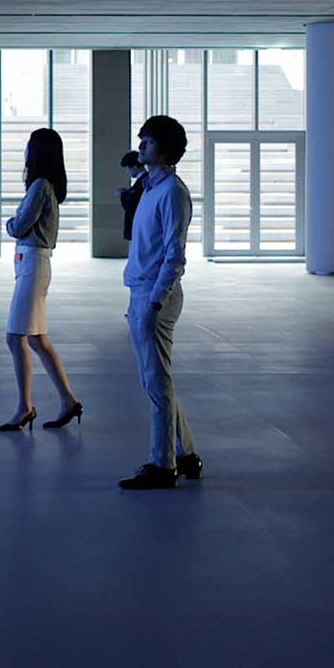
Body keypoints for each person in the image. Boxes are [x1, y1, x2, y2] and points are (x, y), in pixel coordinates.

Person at [118, 116, 202, 489]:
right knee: (158, 380)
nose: (141, 144)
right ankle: (184, 454)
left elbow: (174, 254)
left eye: (148, 141)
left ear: (165, 149)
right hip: (142, 291)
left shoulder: (171, 193)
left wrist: (155, 303)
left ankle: (162, 465)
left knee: (156, 384)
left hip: (154, 295)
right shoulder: (150, 188)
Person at [0, 128, 83, 431]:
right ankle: (68, 401)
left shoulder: (39, 186)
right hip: (33, 263)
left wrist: (9, 223)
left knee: (15, 337)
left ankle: (25, 407)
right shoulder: (45, 186)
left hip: (33, 263)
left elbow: (20, 226)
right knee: (36, 338)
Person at [117, 149, 147, 241]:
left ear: (134, 166)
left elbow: (132, 204)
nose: (126, 171)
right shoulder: (143, 180)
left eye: (127, 168)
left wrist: (122, 194)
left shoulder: (144, 181)